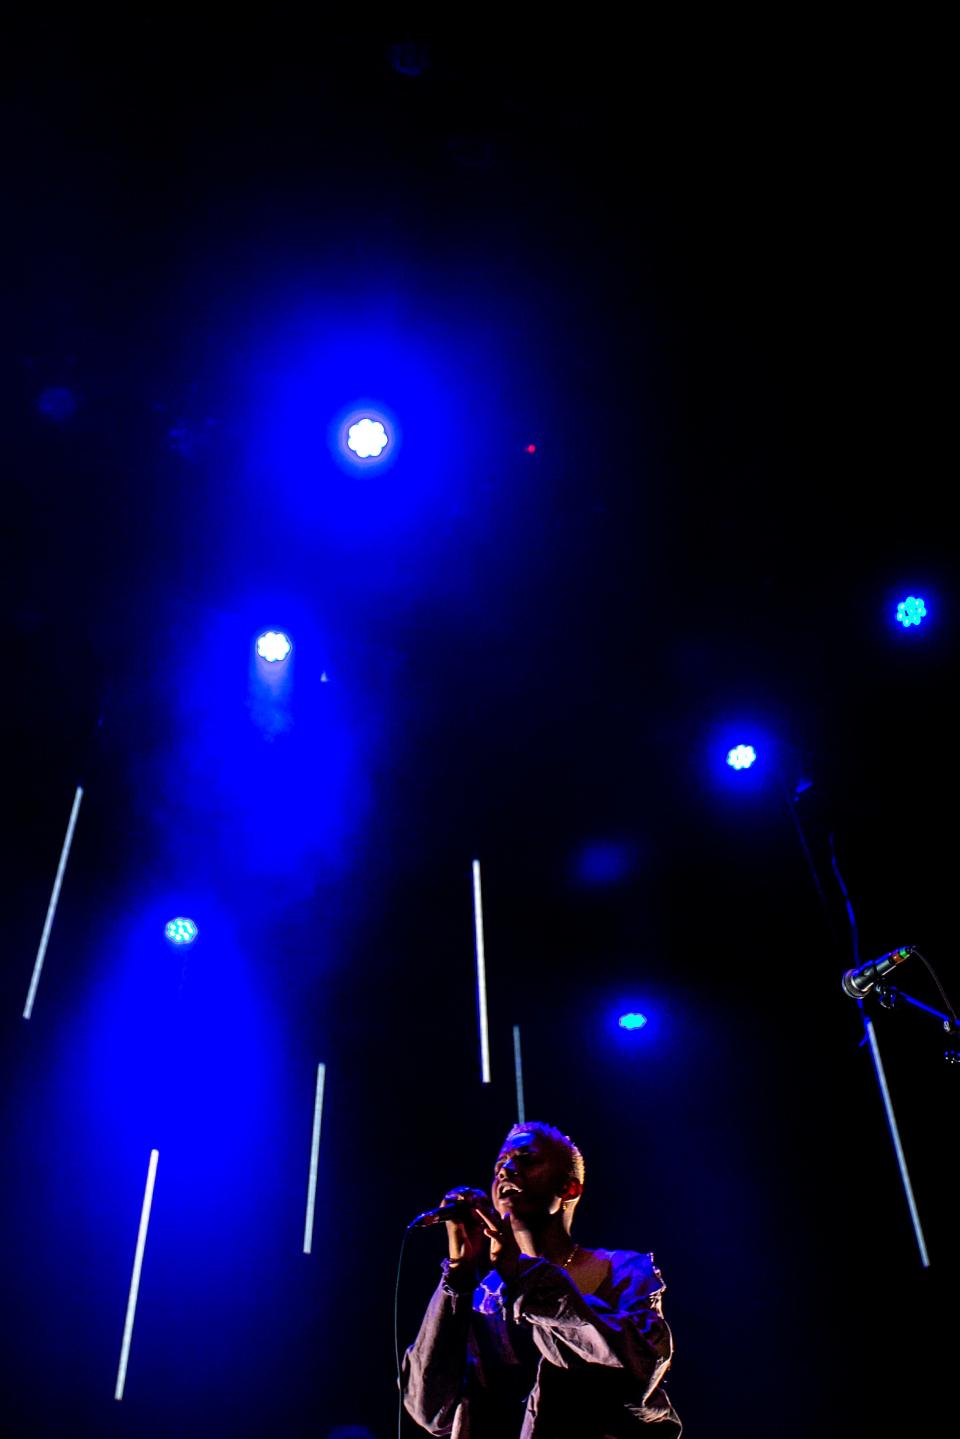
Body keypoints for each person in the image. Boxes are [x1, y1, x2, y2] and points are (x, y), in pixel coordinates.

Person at [402, 1121, 681, 1436]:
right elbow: (428, 1408)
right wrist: (458, 1273)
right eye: (499, 1167)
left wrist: (522, 1274)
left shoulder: (623, 1270)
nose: (506, 1171)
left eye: (526, 1160)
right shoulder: (481, 1297)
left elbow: (641, 1366)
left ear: (569, 1188)